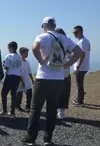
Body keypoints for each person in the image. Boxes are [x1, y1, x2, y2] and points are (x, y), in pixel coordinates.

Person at [21, 17, 83, 146]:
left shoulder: (43, 37)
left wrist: (41, 60)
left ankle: (31, 138)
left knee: (35, 108)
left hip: (43, 78)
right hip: (58, 80)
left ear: (44, 25)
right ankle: (47, 139)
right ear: (54, 25)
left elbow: (34, 47)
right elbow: (79, 52)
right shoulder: (64, 38)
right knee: (52, 109)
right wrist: (67, 65)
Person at [0, 41, 23, 118]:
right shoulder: (19, 57)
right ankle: (12, 112)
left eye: (9, 48)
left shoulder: (8, 56)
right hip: (17, 76)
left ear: (11, 48)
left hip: (10, 76)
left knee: (4, 93)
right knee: (13, 94)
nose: (8, 49)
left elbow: (6, 67)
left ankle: (4, 110)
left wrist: (3, 64)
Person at [56, 28, 73, 119]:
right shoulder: (68, 42)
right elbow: (73, 55)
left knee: (56, 92)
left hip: (56, 71)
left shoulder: (54, 42)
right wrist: (68, 64)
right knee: (64, 92)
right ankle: (61, 112)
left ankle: (56, 111)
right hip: (64, 71)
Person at [72, 25, 91, 107]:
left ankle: (80, 101)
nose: (74, 34)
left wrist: (77, 67)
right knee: (79, 83)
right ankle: (79, 98)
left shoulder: (83, 41)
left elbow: (82, 55)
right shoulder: (83, 41)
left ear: (81, 31)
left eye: (76, 32)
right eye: (73, 32)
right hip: (83, 66)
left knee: (79, 84)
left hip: (81, 67)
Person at [16, 47, 34, 113]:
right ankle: (17, 106)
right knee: (19, 94)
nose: (27, 54)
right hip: (20, 81)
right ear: (21, 53)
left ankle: (28, 107)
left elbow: (29, 72)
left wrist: (32, 80)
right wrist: (22, 81)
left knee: (29, 94)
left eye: (27, 53)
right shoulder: (18, 62)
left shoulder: (27, 62)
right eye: (26, 53)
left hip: (27, 81)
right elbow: (18, 72)